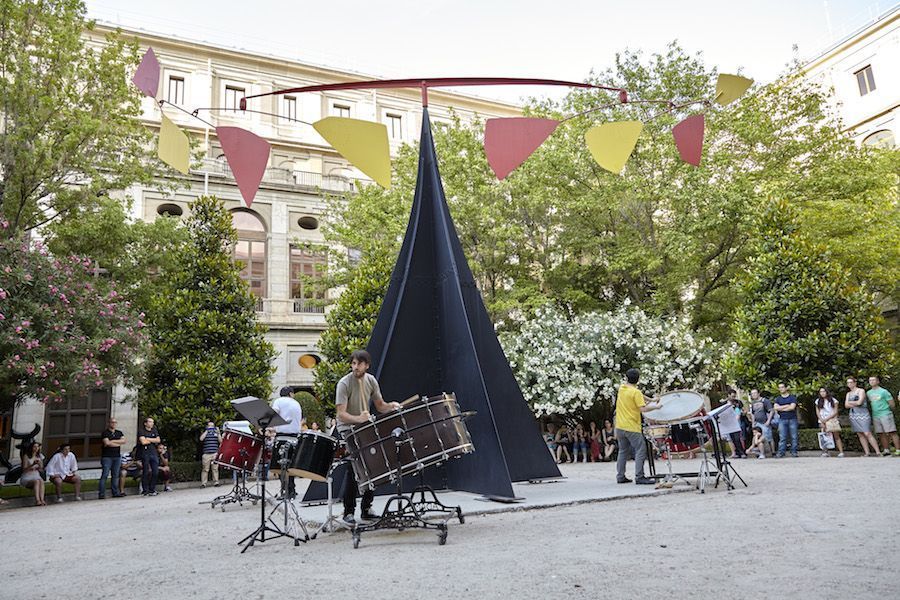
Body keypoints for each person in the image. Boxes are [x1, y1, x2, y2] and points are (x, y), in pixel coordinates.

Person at [335, 350, 401, 525]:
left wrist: (391, 406)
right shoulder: (344, 383)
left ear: (367, 365)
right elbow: (341, 414)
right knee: (353, 469)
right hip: (348, 429)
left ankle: (366, 509)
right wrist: (359, 419)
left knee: (373, 465)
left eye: (359, 364)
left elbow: (380, 406)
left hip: (365, 427)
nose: (355, 367)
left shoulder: (371, 380)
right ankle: (348, 512)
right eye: (353, 363)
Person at [614, 368, 663, 485]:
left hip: (620, 426)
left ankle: (620, 476)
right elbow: (642, 408)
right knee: (640, 449)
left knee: (623, 451)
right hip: (631, 427)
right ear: (638, 379)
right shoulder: (635, 392)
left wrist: (651, 399)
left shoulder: (622, 388)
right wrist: (656, 406)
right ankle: (639, 476)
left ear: (626, 378)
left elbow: (639, 395)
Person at [271, 386, 302, 498]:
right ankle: (292, 489)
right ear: (291, 394)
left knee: (281, 466)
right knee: (290, 465)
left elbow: (273, 415)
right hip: (295, 437)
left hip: (282, 437)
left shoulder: (279, 401)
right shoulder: (296, 403)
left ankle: (285, 490)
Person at [845, 377, 880, 456]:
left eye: (851, 382)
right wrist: (854, 403)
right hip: (853, 414)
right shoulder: (848, 393)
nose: (849, 384)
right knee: (860, 434)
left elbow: (859, 402)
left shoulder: (861, 391)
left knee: (867, 433)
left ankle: (878, 451)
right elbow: (846, 405)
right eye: (848, 383)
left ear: (855, 383)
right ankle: (867, 452)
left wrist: (850, 402)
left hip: (863, 414)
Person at [867, 376, 900, 456]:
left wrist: (888, 410)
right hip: (876, 415)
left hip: (885, 413)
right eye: (870, 380)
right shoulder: (869, 393)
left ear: (878, 381)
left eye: (873, 380)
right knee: (880, 433)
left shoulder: (884, 391)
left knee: (891, 432)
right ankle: (886, 450)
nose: (871, 382)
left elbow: (892, 404)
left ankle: (898, 450)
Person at [99, 417, 126, 499]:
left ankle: (115, 492)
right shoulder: (105, 433)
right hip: (107, 457)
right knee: (105, 475)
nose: (113, 424)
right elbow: (107, 443)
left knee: (115, 475)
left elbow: (124, 441)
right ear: (109, 423)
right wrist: (117, 442)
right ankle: (101, 493)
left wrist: (113, 441)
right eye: (112, 422)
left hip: (117, 456)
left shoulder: (119, 432)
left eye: (115, 422)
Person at [816, 388, 844, 457]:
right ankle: (825, 451)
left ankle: (841, 452)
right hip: (822, 419)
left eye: (824, 391)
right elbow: (817, 412)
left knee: (836, 435)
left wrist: (827, 419)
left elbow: (835, 411)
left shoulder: (833, 400)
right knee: (824, 435)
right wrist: (821, 419)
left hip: (831, 419)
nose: (822, 393)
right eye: (821, 392)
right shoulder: (818, 401)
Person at [773, 383, 799, 458]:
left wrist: (781, 408)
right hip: (782, 419)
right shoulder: (778, 398)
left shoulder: (792, 397)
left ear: (786, 388)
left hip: (792, 419)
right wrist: (787, 406)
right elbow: (775, 408)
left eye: (782, 387)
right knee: (782, 437)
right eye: (779, 387)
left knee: (794, 436)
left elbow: (792, 407)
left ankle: (794, 452)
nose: (781, 389)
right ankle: (781, 452)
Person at [138, 417, 161, 496]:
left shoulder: (154, 430)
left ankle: (152, 489)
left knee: (155, 471)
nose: (152, 423)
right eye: (150, 422)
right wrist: (152, 439)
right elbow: (143, 442)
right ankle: (145, 490)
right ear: (145, 423)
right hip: (145, 453)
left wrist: (148, 438)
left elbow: (158, 440)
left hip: (153, 452)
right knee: (146, 471)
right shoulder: (141, 431)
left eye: (152, 422)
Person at [19, 441, 46, 506]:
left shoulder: (40, 456)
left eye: (38, 447)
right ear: (31, 447)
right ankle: (37, 500)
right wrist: (32, 465)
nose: (36, 448)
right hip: (27, 477)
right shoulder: (26, 456)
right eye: (34, 447)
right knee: (37, 481)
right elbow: (24, 469)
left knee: (41, 481)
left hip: (36, 475)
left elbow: (41, 469)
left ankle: (42, 499)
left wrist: (39, 465)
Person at [748, 389, 774, 456]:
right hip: (757, 422)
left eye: (755, 393)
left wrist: (768, 421)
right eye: (752, 394)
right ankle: (761, 452)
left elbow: (771, 411)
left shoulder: (765, 401)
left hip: (764, 422)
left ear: (759, 393)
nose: (753, 395)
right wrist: (753, 423)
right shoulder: (753, 403)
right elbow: (753, 414)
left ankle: (773, 452)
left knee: (768, 437)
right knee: (757, 437)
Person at [199, 421, 221, 488]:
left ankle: (216, 482)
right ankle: (204, 483)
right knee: (205, 469)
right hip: (206, 454)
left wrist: (218, 432)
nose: (211, 427)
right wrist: (206, 431)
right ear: (207, 426)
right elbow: (201, 439)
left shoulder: (216, 433)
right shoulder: (205, 433)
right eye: (210, 426)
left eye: (212, 426)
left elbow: (221, 441)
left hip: (215, 453)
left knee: (215, 469)